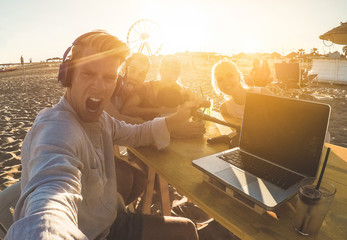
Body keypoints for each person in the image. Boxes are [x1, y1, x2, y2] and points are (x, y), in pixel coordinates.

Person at [5, 30, 199, 240]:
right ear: (68, 76)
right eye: (88, 74)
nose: (100, 86)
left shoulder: (102, 120)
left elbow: (135, 133)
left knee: (186, 229)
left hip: (112, 222)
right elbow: (51, 199)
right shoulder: (56, 128)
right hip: (88, 233)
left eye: (109, 77)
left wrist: (176, 119)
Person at [120, 54, 206, 139]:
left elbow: (194, 112)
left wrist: (196, 114)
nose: (169, 75)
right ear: (160, 70)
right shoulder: (146, 88)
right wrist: (159, 111)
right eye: (166, 69)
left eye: (175, 72)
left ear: (179, 74)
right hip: (143, 141)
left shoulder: (181, 91)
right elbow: (126, 110)